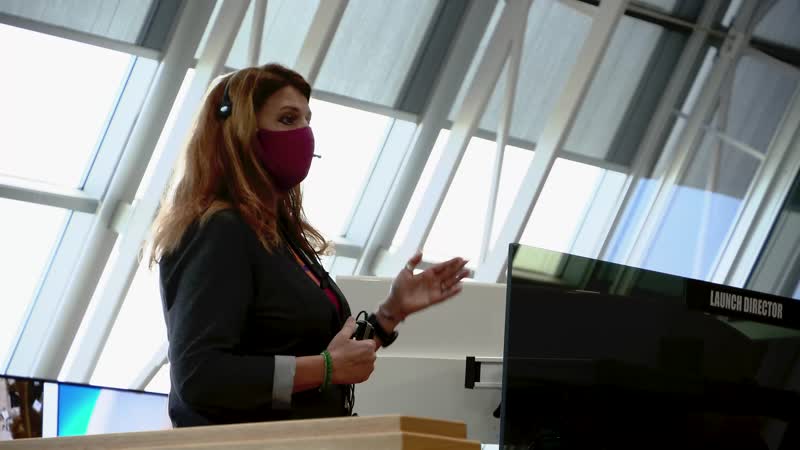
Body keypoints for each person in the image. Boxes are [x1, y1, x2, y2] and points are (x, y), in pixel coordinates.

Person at [149, 63, 469, 427]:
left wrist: (390, 313)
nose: (305, 132)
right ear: (241, 134)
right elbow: (201, 377)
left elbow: (322, 356)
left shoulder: (280, 237)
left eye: (306, 119)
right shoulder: (220, 230)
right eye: (287, 119)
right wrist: (326, 368)